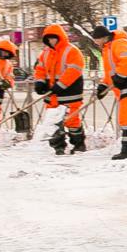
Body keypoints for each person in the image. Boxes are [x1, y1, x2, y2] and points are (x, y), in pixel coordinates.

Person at [92, 25, 127, 160]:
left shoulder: (119, 43)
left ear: (103, 37)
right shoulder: (107, 49)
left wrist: (120, 77)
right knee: (125, 118)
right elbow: (110, 73)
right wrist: (103, 86)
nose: (95, 43)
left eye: (96, 40)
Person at [33, 24, 86, 155]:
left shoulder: (71, 51)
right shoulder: (45, 53)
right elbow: (40, 70)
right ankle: (58, 146)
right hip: (52, 94)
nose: (51, 41)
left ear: (60, 37)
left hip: (70, 92)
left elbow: (74, 70)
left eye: (53, 38)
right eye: (48, 39)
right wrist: (40, 83)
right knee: (53, 121)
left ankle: (78, 144)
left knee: (71, 120)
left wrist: (60, 85)